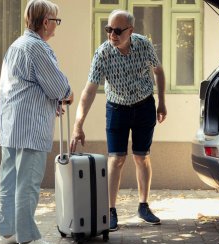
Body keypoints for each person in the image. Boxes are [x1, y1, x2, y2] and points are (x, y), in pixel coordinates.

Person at [70, 9, 167, 232]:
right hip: (117, 108)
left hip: (144, 106)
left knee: (142, 157)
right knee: (116, 159)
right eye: (108, 30)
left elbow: (158, 72)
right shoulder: (103, 53)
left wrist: (162, 102)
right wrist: (78, 124)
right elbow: (89, 91)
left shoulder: (143, 45)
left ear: (130, 31)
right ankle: (110, 211)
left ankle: (143, 206)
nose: (112, 35)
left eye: (117, 30)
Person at [0, 0, 73, 244]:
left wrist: (51, 102)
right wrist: (66, 95)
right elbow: (58, 86)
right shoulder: (38, 48)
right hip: (30, 128)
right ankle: (28, 239)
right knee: (27, 184)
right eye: (56, 21)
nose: (57, 27)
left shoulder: (17, 45)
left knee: (8, 181)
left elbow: (26, 86)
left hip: (11, 125)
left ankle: (7, 232)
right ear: (45, 22)